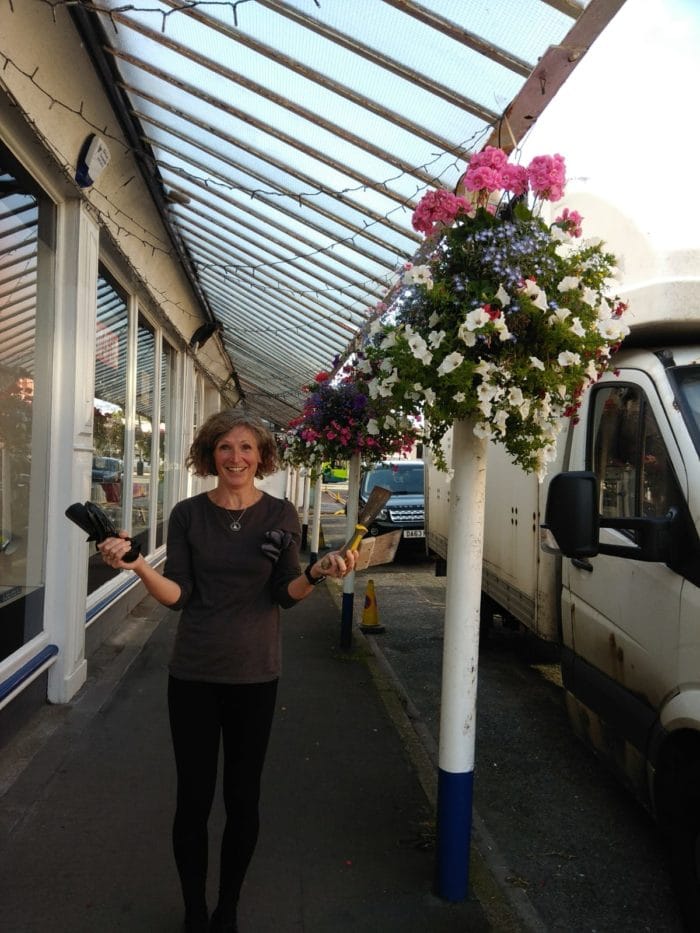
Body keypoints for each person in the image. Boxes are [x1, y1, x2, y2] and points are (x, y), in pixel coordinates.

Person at [97, 410, 355, 933]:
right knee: (192, 800)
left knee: (243, 798)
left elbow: (285, 595)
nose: (235, 457)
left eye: (246, 448)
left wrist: (316, 572)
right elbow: (178, 597)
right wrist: (139, 566)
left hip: (256, 675)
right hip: (192, 673)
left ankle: (228, 908)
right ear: (210, 454)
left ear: (262, 457)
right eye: (225, 448)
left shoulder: (282, 514)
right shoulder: (189, 514)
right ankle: (195, 910)